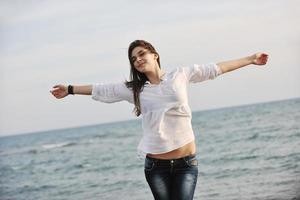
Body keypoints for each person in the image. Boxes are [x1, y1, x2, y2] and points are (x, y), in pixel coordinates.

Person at [51, 40, 268, 200]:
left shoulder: (180, 75)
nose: (137, 60)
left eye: (141, 54)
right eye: (133, 59)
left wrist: (250, 59)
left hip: (186, 163)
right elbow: (101, 89)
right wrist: (69, 89)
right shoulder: (134, 89)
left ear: (155, 54)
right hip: (156, 166)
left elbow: (216, 69)